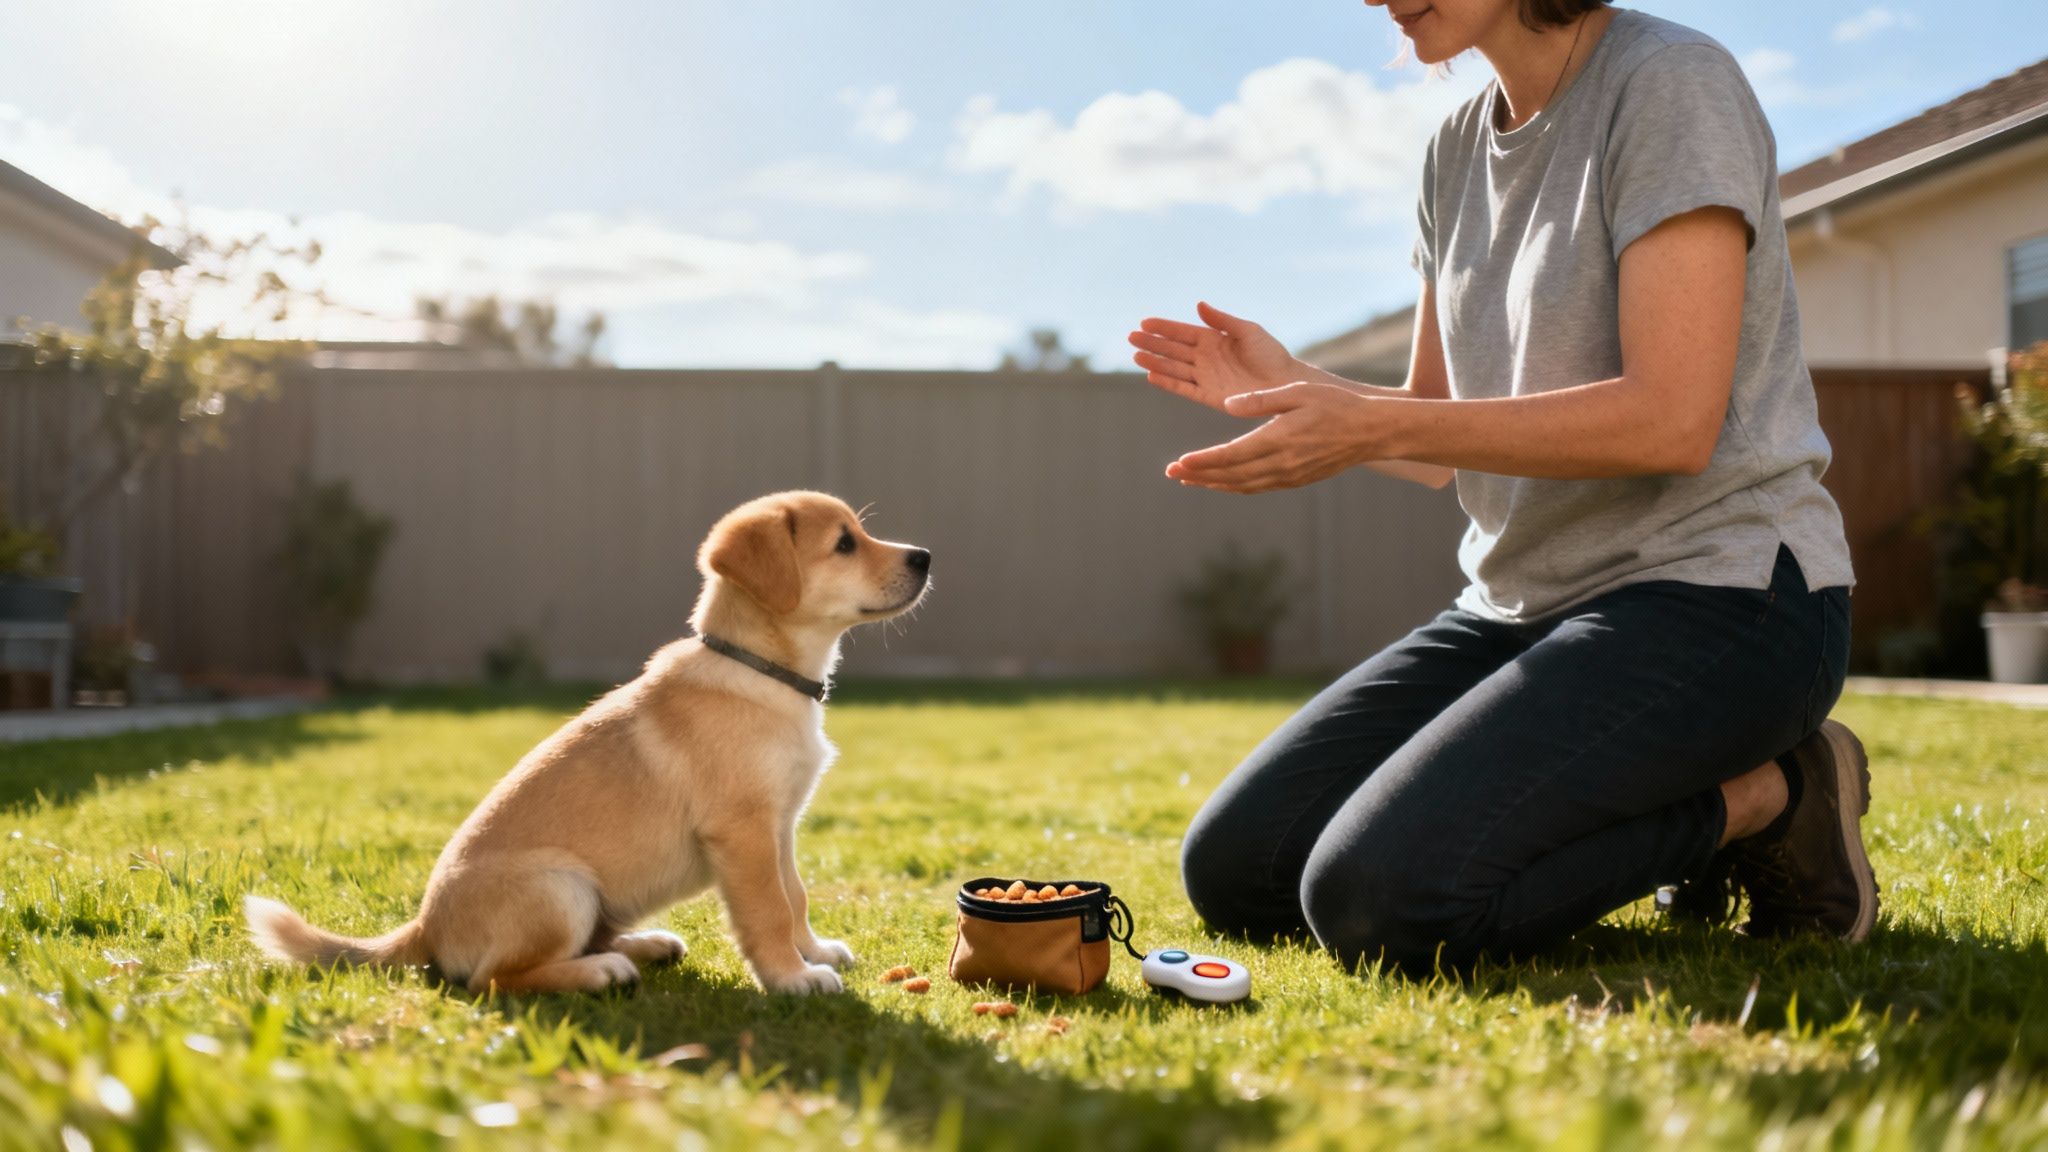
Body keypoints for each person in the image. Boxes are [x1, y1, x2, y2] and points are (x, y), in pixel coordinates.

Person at [1129, 0, 1872, 975]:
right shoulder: (1451, 146)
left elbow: (1670, 419)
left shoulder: (1668, 84)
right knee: (1239, 869)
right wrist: (1293, 392)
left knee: (1375, 902)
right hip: (1517, 610)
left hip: (1725, 599)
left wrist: (1371, 420)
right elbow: (1436, 435)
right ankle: (1686, 805)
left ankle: (1772, 797)